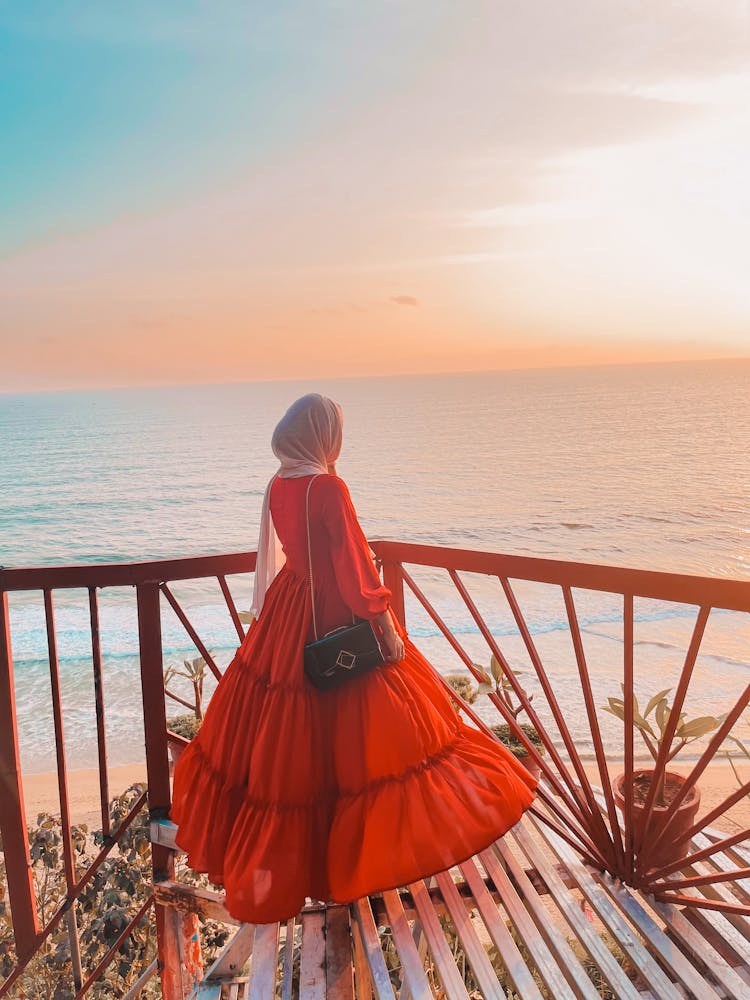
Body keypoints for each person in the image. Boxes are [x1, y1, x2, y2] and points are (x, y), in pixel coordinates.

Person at [171, 393, 537, 924]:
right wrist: (382, 621)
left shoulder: (280, 482)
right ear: (324, 437)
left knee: (293, 745)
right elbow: (352, 560)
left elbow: (299, 555)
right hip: (335, 615)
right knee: (381, 738)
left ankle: (308, 862)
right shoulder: (327, 485)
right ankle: (354, 860)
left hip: (291, 608)